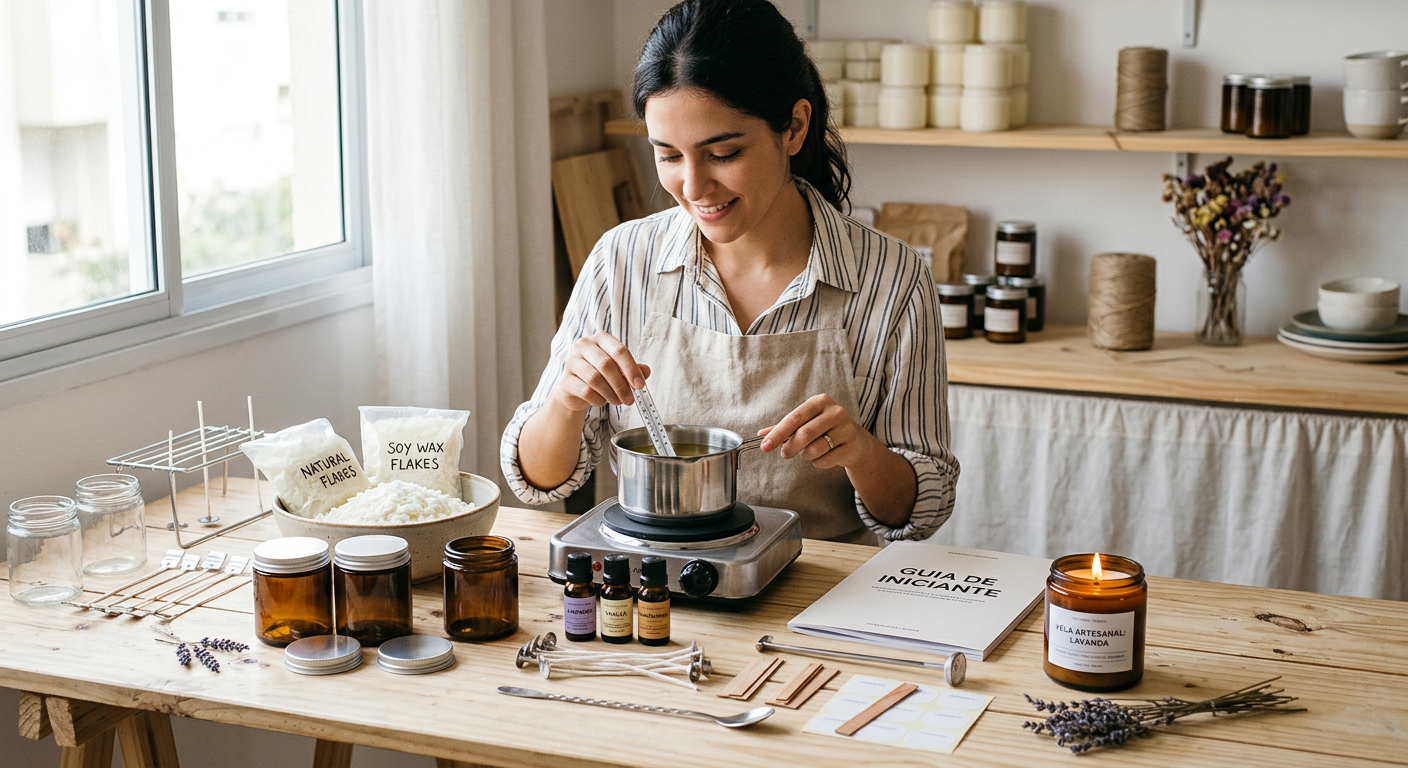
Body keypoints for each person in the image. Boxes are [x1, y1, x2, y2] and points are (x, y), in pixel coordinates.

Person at [501, 0, 958, 543]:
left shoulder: (892, 278)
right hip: (653, 580)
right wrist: (566, 402)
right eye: (669, 156)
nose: (693, 188)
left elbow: (921, 512)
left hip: (821, 586)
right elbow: (538, 481)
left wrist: (862, 453)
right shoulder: (621, 260)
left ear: (794, 127)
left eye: (722, 154)